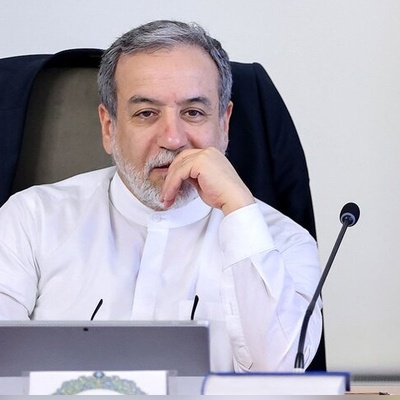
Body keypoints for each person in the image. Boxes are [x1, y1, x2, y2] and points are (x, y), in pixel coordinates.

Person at [0, 20, 322, 372]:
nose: (173, 138)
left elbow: (282, 376)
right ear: (109, 127)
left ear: (224, 124)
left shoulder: (284, 242)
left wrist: (240, 212)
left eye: (193, 113)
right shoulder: (30, 219)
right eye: (146, 113)